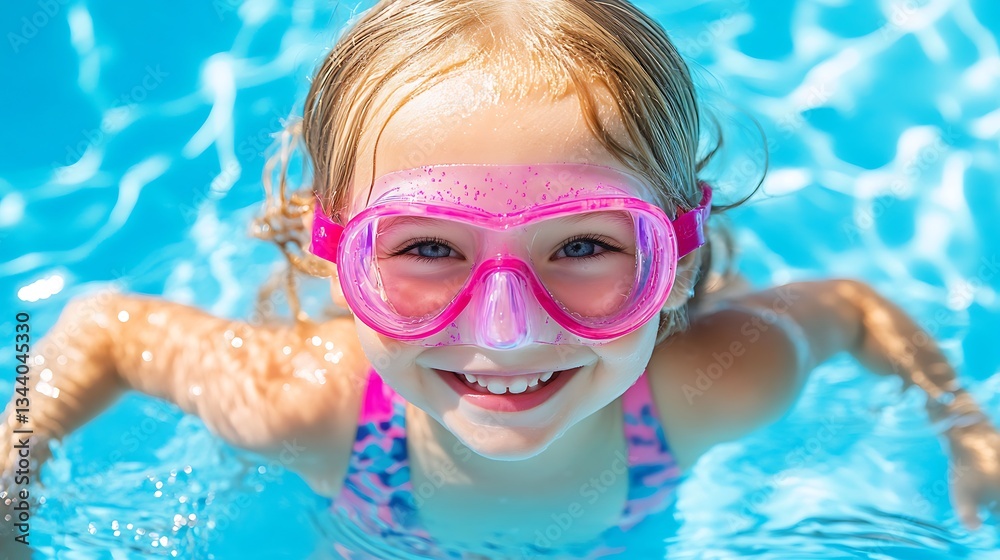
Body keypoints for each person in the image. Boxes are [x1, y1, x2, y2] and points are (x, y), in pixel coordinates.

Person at [3, 0, 998, 557]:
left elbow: (853, 311)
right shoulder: (307, 401)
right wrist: (16, 462)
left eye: (584, 248)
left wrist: (963, 423)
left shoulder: (709, 385)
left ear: (679, 252)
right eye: (428, 249)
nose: (512, 331)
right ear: (328, 246)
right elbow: (100, 327)